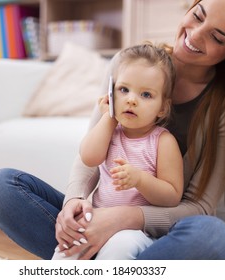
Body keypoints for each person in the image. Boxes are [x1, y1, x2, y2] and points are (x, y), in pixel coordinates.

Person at [0, 0, 225, 260]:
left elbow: (200, 208)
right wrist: (74, 202)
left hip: (157, 236)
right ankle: (102, 258)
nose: (194, 35)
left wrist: (124, 219)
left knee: (215, 238)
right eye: (198, 15)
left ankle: (106, 261)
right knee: (0, 187)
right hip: (98, 216)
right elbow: (90, 156)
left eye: (217, 37)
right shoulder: (130, 64)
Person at [52, 43, 183, 260]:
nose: (131, 99)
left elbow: (172, 195)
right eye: (123, 90)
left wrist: (140, 179)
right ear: (111, 94)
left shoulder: (163, 141)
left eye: (146, 95)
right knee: (67, 248)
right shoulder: (110, 130)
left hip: (135, 233)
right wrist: (108, 119)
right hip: (96, 219)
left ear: (163, 107)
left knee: (119, 248)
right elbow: (89, 157)